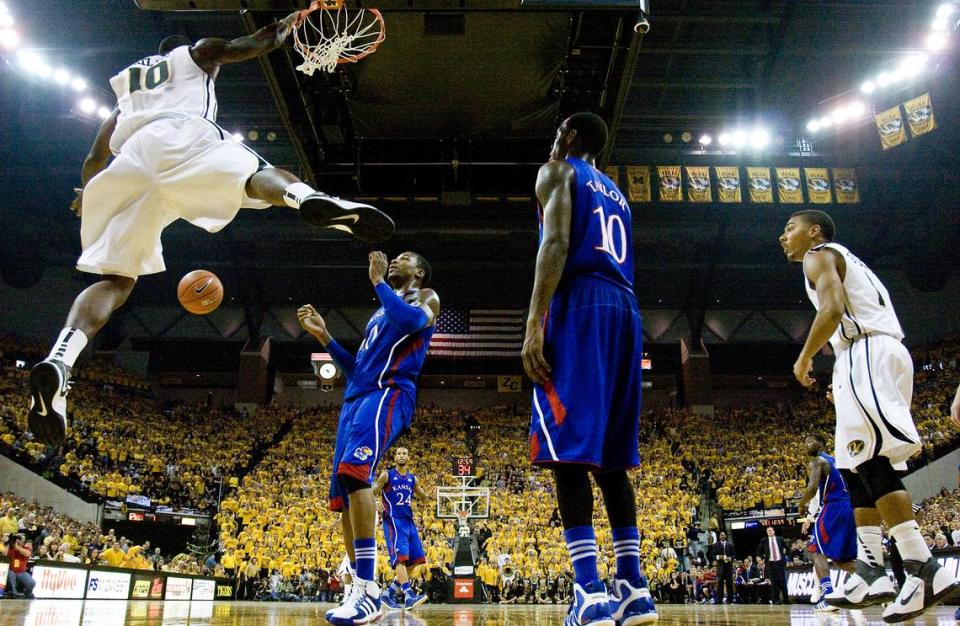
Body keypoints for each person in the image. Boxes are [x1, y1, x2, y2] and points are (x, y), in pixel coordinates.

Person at [27, 15, 395, 448]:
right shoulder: (195, 55)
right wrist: (287, 23)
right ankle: (306, 197)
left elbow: (94, 157)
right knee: (255, 173)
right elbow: (252, 44)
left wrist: (88, 193)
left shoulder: (127, 92)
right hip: (181, 137)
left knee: (115, 279)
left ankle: (61, 358)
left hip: (127, 162)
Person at [780, 210, 960, 622]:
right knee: (854, 464)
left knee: (873, 462)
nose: (782, 237)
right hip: (863, 358)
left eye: (789, 228)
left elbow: (831, 310)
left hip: (867, 352)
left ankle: (922, 566)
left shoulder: (819, 254)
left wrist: (804, 358)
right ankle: (872, 569)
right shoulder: (843, 259)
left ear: (814, 232)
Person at [521, 112, 656, 626]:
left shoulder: (557, 171)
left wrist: (535, 321)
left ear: (570, 137)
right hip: (626, 310)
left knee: (567, 452)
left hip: (580, 304)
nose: (552, 139)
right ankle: (633, 588)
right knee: (613, 461)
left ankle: (589, 592)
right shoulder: (617, 193)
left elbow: (553, 244)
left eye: (556, 132)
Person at [298, 251, 439, 626]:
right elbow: (355, 368)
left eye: (405, 258)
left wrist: (377, 281)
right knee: (346, 488)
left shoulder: (424, 298)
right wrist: (325, 335)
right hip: (357, 398)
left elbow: (411, 322)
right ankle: (366, 591)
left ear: (419, 272)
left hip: (388, 392)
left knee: (357, 473)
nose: (396, 261)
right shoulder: (379, 315)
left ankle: (364, 586)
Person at [796, 432, 857, 611]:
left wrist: (801, 504)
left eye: (811, 441)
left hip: (834, 507)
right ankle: (876, 579)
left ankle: (828, 595)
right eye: (805, 441)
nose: (806, 444)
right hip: (849, 507)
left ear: (821, 444)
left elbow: (812, 488)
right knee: (841, 560)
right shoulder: (836, 461)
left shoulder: (818, 461)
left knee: (816, 551)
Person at [371, 446, 431, 611]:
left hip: (409, 521)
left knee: (417, 560)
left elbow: (423, 498)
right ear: (395, 457)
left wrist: (429, 497)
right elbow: (374, 491)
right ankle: (409, 595)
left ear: (408, 458)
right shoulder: (387, 475)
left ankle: (388, 593)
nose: (402, 456)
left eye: (405, 453)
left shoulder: (413, 479)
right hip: (393, 520)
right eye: (399, 453)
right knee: (400, 559)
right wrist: (375, 502)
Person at [755, 527, 789, 604]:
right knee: (774, 583)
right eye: (768, 531)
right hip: (770, 564)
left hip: (780, 562)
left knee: (783, 582)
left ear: (774, 531)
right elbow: (758, 551)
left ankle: (786, 600)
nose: (769, 532)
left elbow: (787, 548)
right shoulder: (764, 541)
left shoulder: (780, 539)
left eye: (770, 530)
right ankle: (775, 600)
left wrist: (786, 557)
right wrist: (763, 558)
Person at [708, 531, 735, 604]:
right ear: (719, 537)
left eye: (723, 535)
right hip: (720, 568)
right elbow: (713, 555)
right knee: (720, 585)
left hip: (728, 567)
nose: (722, 536)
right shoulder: (716, 545)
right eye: (720, 535)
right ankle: (719, 600)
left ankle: (730, 600)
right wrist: (719, 557)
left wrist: (730, 558)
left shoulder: (730, 545)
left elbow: (734, 555)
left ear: (725, 536)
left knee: (729, 585)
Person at [6, 534, 35, 599]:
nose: (18, 540)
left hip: (22, 572)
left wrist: (17, 547)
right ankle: (14, 594)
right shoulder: (11, 547)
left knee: (32, 583)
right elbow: (4, 554)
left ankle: (27, 594)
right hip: (11, 570)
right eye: (17, 539)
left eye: (20, 539)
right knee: (10, 574)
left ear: (23, 541)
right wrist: (8, 544)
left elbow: (27, 553)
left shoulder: (27, 547)